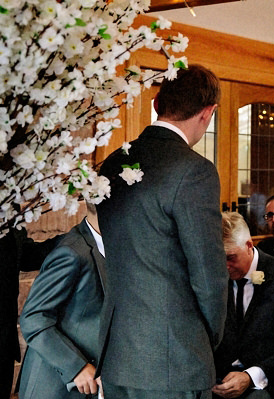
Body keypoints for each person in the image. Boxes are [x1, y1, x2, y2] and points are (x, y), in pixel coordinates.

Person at [97, 64, 228, 399]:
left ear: (156, 102)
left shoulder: (113, 162)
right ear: (207, 113)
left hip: (117, 355)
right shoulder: (194, 170)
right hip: (174, 361)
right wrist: (205, 340)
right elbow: (208, 274)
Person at [18, 205, 108, 399]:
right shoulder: (73, 253)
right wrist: (77, 367)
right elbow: (33, 318)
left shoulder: (112, 246)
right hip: (55, 388)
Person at [214, 212, 274, 399]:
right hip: (218, 381)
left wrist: (250, 376)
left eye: (231, 257)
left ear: (248, 246)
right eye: (218, 259)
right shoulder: (212, 277)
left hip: (265, 382)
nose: (224, 266)